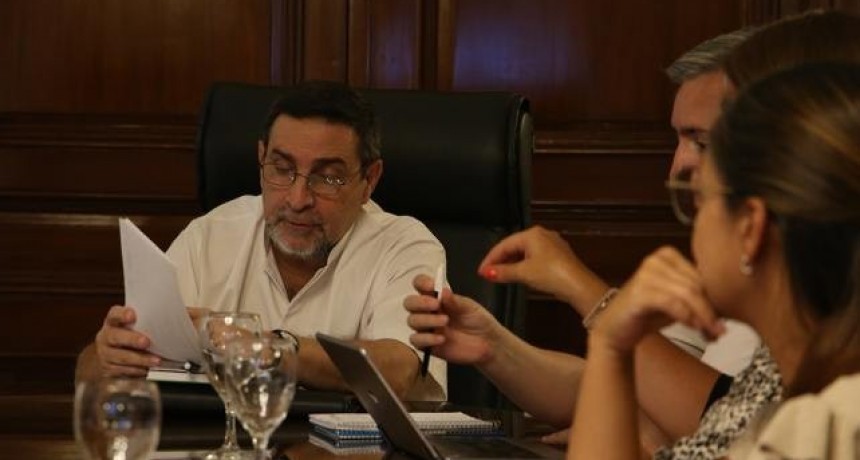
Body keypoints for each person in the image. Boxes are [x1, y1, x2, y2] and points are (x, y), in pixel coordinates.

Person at [407, 9, 860, 457]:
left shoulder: (823, 415)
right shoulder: (781, 368)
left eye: (707, 145)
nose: (681, 171)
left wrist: (591, 300)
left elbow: (695, 415)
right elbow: (636, 394)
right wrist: (508, 347)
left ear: (753, 225)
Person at [75, 81, 446, 400]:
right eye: (282, 170)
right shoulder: (210, 237)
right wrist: (108, 358)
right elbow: (91, 373)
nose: (297, 199)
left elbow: (401, 372)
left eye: (327, 177)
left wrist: (264, 348)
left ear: (369, 180)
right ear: (261, 158)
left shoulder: (405, 247)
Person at [569, 61, 860, 460]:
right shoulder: (798, 398)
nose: (693, 224)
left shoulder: (820, 427)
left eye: (701, 200)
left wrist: (609, 344)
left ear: (750, 227)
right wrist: (612, 345)